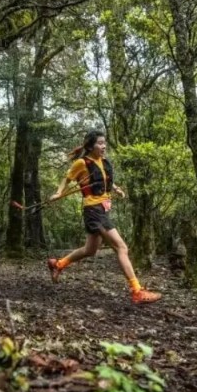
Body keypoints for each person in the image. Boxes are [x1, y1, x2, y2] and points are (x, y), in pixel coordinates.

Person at [47, 130, 162, 304]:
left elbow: (106, 179)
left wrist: (115, 189)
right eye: (100, 143)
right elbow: (67, 179)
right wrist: (58, 193)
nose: (104, 146)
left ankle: (58, 264)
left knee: (90, 250)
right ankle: (137, 291)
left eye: (104, 142)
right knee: (122, 248)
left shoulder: (105, 162)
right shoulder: (82, 163)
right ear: (90, 146)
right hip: (94, 211)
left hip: (102, 210)